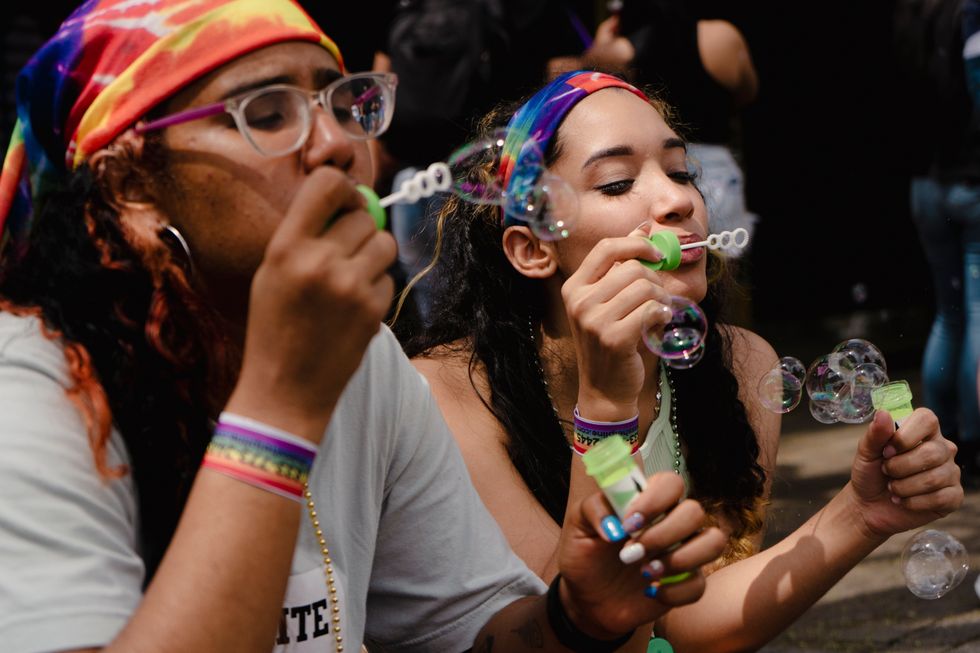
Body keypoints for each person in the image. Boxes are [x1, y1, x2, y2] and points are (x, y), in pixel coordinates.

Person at [0, 3, 730, 653]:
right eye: (267, 113)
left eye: (344, 103)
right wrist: (280, 405)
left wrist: (576, 619)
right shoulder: (29, 386)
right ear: (131, 185)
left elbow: (474, 630)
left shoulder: (365, 358)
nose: (339, 146)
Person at [398, 70, 965, 651]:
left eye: (680, 172)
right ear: (532, 248)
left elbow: (683, 620)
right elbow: (588, 627)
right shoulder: (446, 396)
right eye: (617, 184)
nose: (678, 201)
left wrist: (863, 513)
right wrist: (606, 406)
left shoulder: (741, 367)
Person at [894, 0, 980, 487]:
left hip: (924, 184)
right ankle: (971, 438)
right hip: (970, 180)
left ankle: (940, 432)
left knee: (949, 312)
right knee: (977, 310)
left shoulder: (910, 15)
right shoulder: (968, 14)